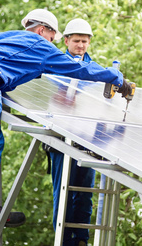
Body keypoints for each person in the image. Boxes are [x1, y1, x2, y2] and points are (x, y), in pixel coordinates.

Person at [0, 9, 132, 229]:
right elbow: (79, 68)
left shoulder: (2, 36)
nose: (51, 42)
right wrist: (117, 78)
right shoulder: (41, 47)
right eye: (51, 37)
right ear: (41, 30)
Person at [49, 19, 97, 246]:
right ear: (66, 40)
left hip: (86, 138)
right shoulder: (54, 63)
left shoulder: (94, 69)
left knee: (85, 191)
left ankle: (81, 239)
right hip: (61, 137)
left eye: (84, 41)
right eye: (76, 41)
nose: (80, 45)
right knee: (64, 191)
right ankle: (64, 238)